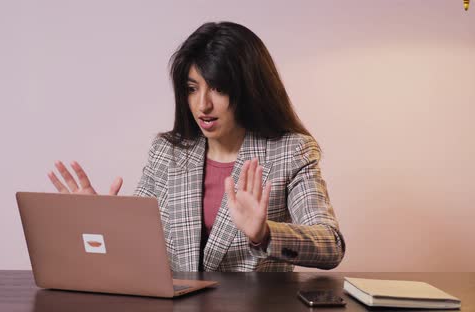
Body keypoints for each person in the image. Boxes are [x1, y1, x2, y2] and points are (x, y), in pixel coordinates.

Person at [48, 21, 345, 272]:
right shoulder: (167, 151)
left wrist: (264, 234)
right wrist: (99, 220)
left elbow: (331, 244)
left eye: (217, 88)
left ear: (250, 88)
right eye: (192, 89)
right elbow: (138, 242)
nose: (202, 104)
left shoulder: (291, 152)